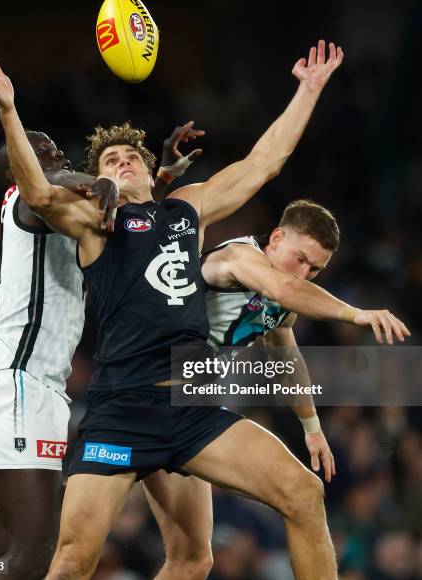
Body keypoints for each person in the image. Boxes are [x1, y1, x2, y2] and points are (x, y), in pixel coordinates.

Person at [0, 40, 348, 580]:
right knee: (73, 559)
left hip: (191, 408)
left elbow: (263, 163)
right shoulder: (95, 225)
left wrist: (307, 90)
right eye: (109, 160)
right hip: (120, 411)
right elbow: (35, 188)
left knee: (290, 501)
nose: (122, 161)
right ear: (101, 181)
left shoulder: (185, 210)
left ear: (151, 174)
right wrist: (8, 107)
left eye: (131, 157)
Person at [0, 120, 203, 580]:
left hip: (12, 390)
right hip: (18, 389)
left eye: (54, 148)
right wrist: (96, 180)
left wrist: (162, 175)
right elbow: (50, 184)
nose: (58, 158)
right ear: (19, 171)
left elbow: (121, 215)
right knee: (32, 559)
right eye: (44, 153)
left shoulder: (66, 215)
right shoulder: (25, 199)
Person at [141, 199, 409, 580]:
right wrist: (356, 313)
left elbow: (286, 356)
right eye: (300, 259)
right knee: (74, 552)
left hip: (188, 411)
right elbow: (284, 288)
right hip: (141, 397)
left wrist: (312, 427)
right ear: (277, 237)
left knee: (194, 560)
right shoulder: (237, 257)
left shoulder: (284, 299)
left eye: (315, 268)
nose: (305, 274)